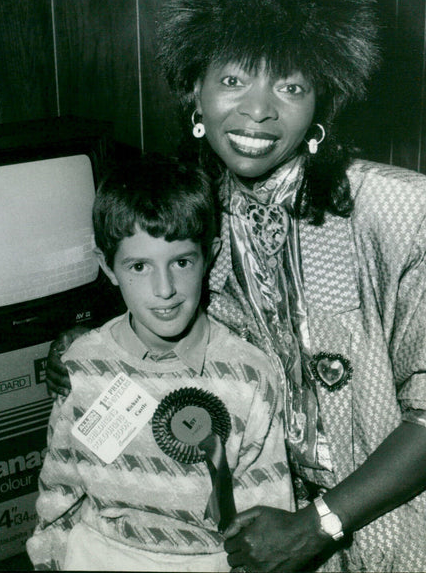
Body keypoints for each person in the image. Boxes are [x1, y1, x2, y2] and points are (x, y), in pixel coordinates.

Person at [45, 0, 426, 571]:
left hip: (403, 525)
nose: (258, 110)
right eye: (232, 80)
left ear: (321, 101)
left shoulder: (410, 213)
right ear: (194, 90)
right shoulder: (195, 219)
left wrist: (319, 521)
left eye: (290, 84)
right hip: (246, 528)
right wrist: (80, 347)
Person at [27, 156, 294, 571]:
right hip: (101, 554)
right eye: (138, 266)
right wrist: (48, 559)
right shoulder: (82, 365)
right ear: (108, 268)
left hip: (208, 560)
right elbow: (59, 490)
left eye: (182, 262)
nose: (165, 289)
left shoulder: (250, 374)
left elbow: (267, 510)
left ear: (210, 257)